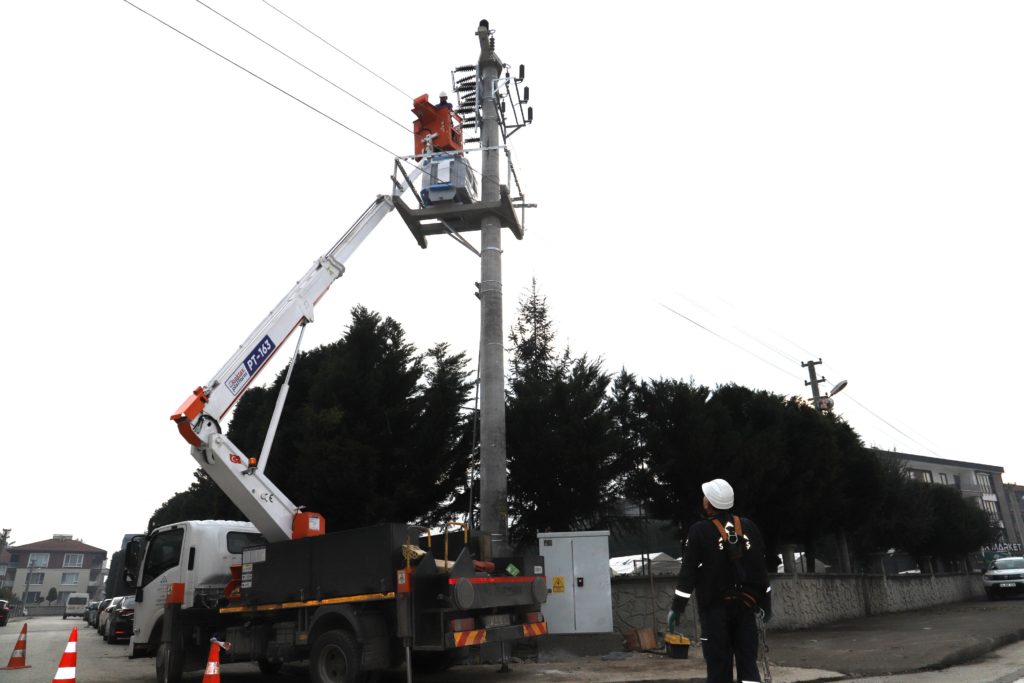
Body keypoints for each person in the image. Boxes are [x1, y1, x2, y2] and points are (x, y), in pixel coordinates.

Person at [667, 478, 772, 683]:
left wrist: (677, 608)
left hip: (715, 609)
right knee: (748, 664)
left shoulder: (699, 530)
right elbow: (761, 570)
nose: (703, 500)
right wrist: (766, 605)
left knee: (718, 665)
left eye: (705, 497)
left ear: (709, 502)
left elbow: (688, 573)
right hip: (746, 606)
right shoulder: (749, 527)